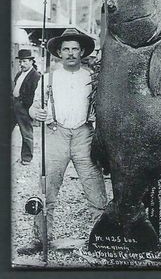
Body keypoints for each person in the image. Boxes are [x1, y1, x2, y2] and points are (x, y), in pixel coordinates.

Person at [18, 28, 107, 255]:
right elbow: (33, 107)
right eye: (66, 49)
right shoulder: (48, 78)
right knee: (47, 188)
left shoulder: (92, 77)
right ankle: (40, 239)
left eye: (75, 49)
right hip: (55, 134)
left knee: (95, 188)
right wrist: (35, 113)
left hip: (84, 135)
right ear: (59, 52)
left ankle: (105, 237)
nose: (70, 53)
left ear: (82, 52)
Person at [12, 49, 41, 165]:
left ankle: (27, 158)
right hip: (13, 104)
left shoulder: (36, 76)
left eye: (24, 61)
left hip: (24, 107)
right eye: (20, 62)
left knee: (26, 133)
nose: (22, 64)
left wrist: (27, 107)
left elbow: (35, 94)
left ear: (31, 61)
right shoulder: (19, 74)